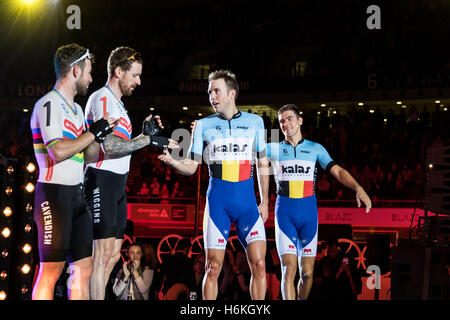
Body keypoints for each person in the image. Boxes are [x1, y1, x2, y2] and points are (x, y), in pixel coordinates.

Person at [158, 70, 270, 300]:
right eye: (209, 92)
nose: (212, 96)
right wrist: (172, 161)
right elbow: (191, 167)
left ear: (232, 93)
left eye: (216, 91)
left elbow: (263, 163)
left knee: (259, 265)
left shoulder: (256, 122)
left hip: (247, 206)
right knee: (213, 267)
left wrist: (266, 201)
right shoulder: (202, 125)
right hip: (217, 204)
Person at [83, 46, 177, 300]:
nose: (139, 81)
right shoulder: (101, 98)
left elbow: (124, 144)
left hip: (117, 183)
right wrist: (145, 140)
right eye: (135, 75)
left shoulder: (120, 106)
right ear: (118, 71)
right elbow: (110, 146)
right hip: (101, 178)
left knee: (114, 255)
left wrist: (144, 135)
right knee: (101, 256)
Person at [30, 44, 116, 300]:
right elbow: (57, 151)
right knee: (52, 270)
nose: (91, 79)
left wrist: (100, 137)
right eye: (89, 72)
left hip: (77, 196)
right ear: (76, 70)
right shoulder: (48, 103)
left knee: (84, 269)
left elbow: (85, 156)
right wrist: (92, 133)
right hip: (53, 196)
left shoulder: (78, 110)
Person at [266, 104, 371, 300]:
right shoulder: (273, 148)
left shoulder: (315, 149)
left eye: (289, 118)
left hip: (309, 217)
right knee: (288, 268)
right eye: (281, 121)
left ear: (300, 120)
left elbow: (338, 171)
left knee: (307, 273)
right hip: (285, 215)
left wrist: (359, 188)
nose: (285, 123)